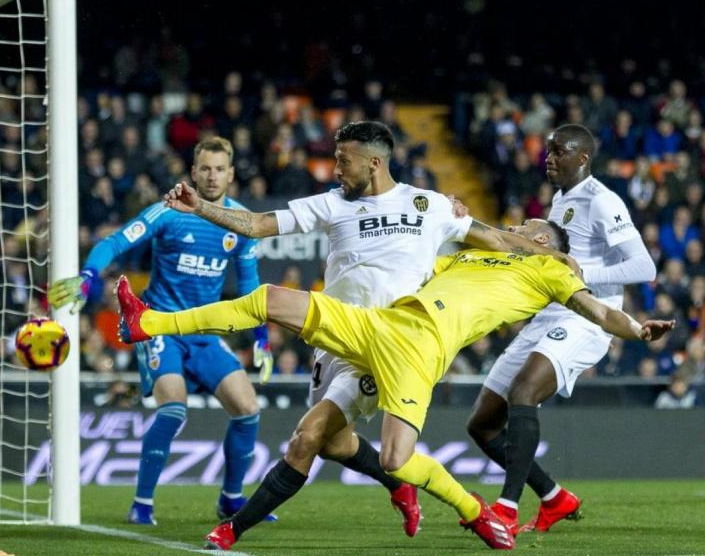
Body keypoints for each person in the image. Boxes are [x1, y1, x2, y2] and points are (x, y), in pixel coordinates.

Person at [135, 121, 585, 548]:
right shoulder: (332, 204)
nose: (335, 169)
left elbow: (501, 241)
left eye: (342, 160)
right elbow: (256, 224)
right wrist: (202, 208)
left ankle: (231, 530)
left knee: (307, 437)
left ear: (373, 163)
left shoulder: (427, 205)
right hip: (334, 334)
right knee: (332, 443)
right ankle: (396, 483)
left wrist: (555, 259)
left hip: (387, 344)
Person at [114, 218, 675, 551]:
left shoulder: (551, 271)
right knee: (271, 301)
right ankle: (148, 321)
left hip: (419, 351)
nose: (519, 229)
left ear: (548, 245)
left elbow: (597, 312)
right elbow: (452, 234)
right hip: (383, 322)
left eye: (531, 230)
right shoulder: (479, 253)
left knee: (395, 458)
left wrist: (636, 327)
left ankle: (475, 512)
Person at [48, 136, 277, 525]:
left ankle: (231, 500)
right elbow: (115, 241)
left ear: (232, 174)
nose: (212, 176)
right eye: (204, 168)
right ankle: (142, 504)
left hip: (205, 332)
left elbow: (249, 284)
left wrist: (260, 337)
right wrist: (89, 274)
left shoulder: (239, 222)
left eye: (220, 169)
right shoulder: (169, 211)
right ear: (192, 171)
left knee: (248, 408)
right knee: (174, 407)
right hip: (159, 327)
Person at [464, 123, 656, 535]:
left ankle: (507, 509)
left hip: (590, 315)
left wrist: (581, 272)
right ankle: (553, 497)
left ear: (582, 157)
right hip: (551, 312)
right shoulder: (560, 198)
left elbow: (644, 267)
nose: (547, 158)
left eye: (557, 152)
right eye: (547, 151)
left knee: (523, 392)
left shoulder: (603, 201)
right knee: (482, 424)